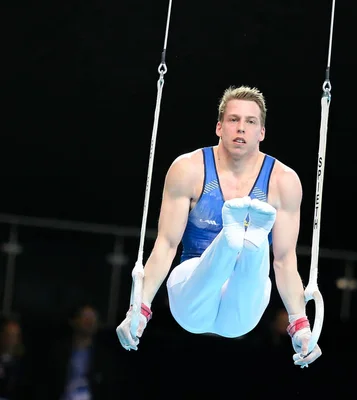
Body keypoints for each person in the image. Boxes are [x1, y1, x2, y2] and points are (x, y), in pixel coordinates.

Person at [116, 85, 322, 367]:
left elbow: (285, 261)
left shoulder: (283, 181)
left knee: (257, 259)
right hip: (192, 285)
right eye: (233, 120)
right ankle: (235, 237)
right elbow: (166, 244)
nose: (241, 128)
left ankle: (247, 240)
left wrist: (301, 325)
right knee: (235, 251)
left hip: (242, 306)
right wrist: (139, 308)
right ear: (219, 127)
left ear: (261, 132)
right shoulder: (188, 169)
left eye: (250, 122)